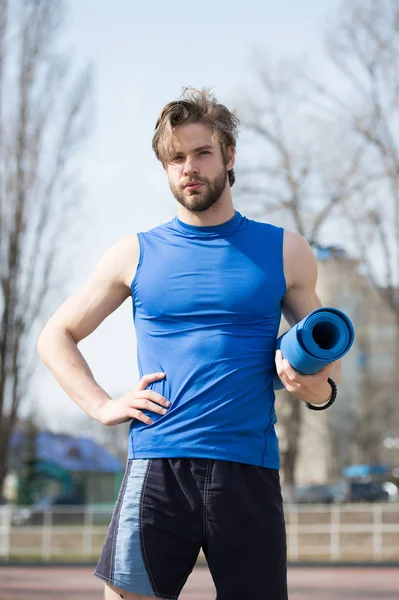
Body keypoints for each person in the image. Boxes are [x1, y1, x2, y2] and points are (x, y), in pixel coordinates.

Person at [37, 87, 340, 600]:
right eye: (175, 158)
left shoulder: (286, 251)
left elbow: (325, 377)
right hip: (157, 465)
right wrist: (103, 404)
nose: (189, 167)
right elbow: (55, 336)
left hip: (248, 471)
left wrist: (310, 387)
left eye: (201, 152)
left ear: (229, 155)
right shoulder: (132, 253)